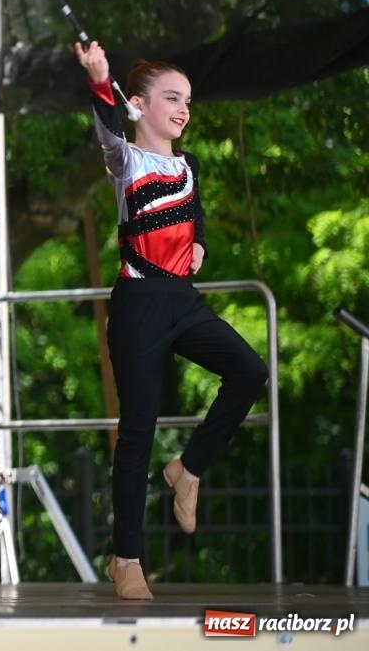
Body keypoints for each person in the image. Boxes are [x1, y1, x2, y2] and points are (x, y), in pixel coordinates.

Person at [76, 43, 267, 601]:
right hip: (138, 305)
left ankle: (188, 469)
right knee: (137, 431)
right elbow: (109, 125)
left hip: (183, 300)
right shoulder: (125, 159)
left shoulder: (187, 165)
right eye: (171, 99)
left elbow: (194, 211)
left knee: (249, 371)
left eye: (187, 100)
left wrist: (200, 241)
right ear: (139, 106)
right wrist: (100, 80)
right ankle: (126, 557)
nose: (183, 109)